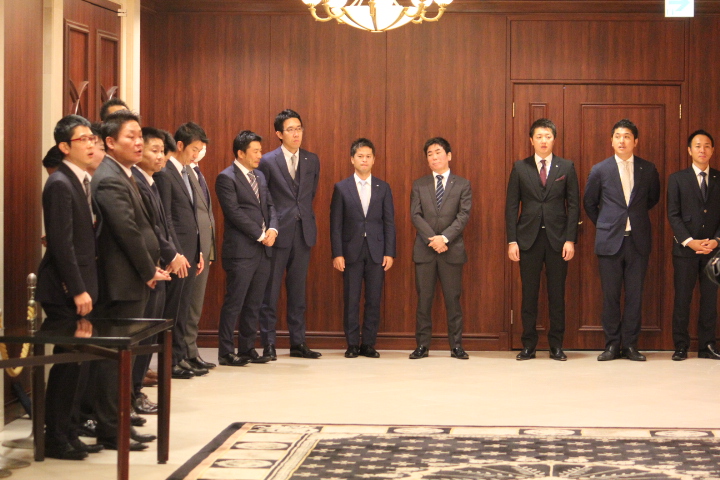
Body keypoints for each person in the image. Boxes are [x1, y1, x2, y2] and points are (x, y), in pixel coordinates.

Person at [91, 110, 169, 450]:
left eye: (140, 136)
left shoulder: (125, 173)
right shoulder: (109, 177)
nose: (138, 142)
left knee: (124, 356)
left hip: (133, 278)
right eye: (131, 136)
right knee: (114, 360)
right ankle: (111, 429)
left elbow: (144, 228)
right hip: (121, 283)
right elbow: (127, 230)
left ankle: (118, 422)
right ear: (110, 142)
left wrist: (152, 266)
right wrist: (148, 269)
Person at [37, 115, 99, 460]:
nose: (91, 144)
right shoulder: (60, 182)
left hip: (81, 284)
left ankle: (70, 430)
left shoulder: (80, 180)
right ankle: (56, 437)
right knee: (67, 364)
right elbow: (61, 244)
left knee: (78, 364)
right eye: (83, 139)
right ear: (64, 147)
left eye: (92, 138)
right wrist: (77, 289)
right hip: (63, 290)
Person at [583, 119, 660, 362]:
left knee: (635, 296)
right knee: (611, 296)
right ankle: (612, 345)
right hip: (610, 242)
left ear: (635, 141)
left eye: (627, 136)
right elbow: (589, 203)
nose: (622, 140)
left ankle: (631, 346)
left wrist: (632, 218)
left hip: (637, 241)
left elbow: (653, 199)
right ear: (611, 140)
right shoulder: (600, 169)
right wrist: (606, 223)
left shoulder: (648, 169)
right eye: (617, 136)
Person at [505, 118, 580, 361]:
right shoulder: (520, 167)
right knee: (529, 294)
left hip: (558, 240)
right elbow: (511, 206)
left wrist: (570, 239)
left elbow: (574, 206)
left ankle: (556, 345)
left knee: (557, 295)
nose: (544, 140)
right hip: (528, 240)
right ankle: (528, 345)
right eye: (539, 136)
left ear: (554, 139)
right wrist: (512, 240)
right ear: (531, 140)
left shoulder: (566, 166)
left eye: (548, 136)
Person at [131, 127, 191, 412]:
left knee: (150, 332)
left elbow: (162, 224)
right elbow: (146, 228)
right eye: (153, 150)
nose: (160, 157)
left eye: (162, 151)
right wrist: (171, 253)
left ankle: (135, 391)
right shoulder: (135, 181)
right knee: (140, 336)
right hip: (144, 269)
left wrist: (171, 253)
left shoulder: (151, 181)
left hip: (159, 265)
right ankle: (131, 393)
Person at [258, 109, 321, 360]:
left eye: (299, 128)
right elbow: (265, 198)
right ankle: (269, 343)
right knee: (270, 291)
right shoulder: (267, 161)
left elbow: (309, 194)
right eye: (291, 130)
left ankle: (298, 342)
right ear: (279, 134)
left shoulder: (312, 160)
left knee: (298, 292)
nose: (296, 134)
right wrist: (271, 226)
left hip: (303, 232)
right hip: (277, 233)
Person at [216, 131, 278, 366]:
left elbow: (270, 206)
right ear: (241, 153)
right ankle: (225, 351)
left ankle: (247, 348)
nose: (260, 155)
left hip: (263, 251)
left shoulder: (260, 176)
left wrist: (273, 229)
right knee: (235, 302)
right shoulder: (226, 178)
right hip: (241, 252)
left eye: (261, 151)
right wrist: (260, 234)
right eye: (255, 151)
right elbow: (234, 212)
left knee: (254, 303)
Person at [330, 138, 396, 358]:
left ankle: (368, 343)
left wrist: (390, 252)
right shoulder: (341, 187)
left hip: (377, 251)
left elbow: (389, 222)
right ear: (352, 159)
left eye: (368, 156)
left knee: (373, 300)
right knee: (351, 299)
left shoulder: (383, 187)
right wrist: (337, 253)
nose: (364, 160)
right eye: (360, 156)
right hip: (351, 251)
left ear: (374, 159)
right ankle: (351, 344)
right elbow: (335, 224)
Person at [409, 137, 472, 360]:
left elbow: (463, 215)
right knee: (424, 300)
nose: (434, 157)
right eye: (430, 154)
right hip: (425, 250)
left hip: (451, 250)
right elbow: (415, 215)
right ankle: (422, 345)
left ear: (449, 155)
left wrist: (444, 238)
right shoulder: (419, 184)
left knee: (453, 300)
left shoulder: (462, 184)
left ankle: (456, 346)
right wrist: (433, 239)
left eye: (438, 152)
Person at [154, 122, 208, 378]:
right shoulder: (165, 173)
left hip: (190, 252)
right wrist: (175, 252)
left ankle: (181, 355)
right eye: (193, 149)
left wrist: (198, 251)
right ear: (179, 145)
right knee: (173, 310)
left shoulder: (188, 173)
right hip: (176, 255)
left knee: (184, 308)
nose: (196, 155)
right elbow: (166, 218)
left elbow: (193, 217)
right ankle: (170, 361)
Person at [667, 130, 720, 361]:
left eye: (707, 146)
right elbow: (673, 214)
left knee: (710, 299)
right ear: (689, 150)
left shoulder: (719, 178)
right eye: (697, 146)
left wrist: (717, 240)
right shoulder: (677, 179)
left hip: (714, 252)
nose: (702, 150)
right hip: (685, 250)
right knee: (682, 298)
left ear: (713, 150)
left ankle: (707, 345)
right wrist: (690, 241)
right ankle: (681, 345)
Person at [185, 145, 217, 369]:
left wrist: (210, 249)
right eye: (195, 147)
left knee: (196, 305)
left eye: (203, 147)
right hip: (191, 249)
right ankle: (185, 352)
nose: (200, 151)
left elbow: (207, 216)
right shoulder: (183, 173)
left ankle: (191, 350)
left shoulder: (198, 172)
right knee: (187, 305)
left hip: (204, 249)